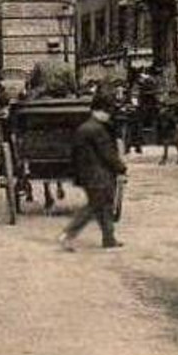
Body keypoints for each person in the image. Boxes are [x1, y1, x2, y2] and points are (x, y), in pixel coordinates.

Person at [59, 100, 126, 251]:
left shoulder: (84, 128)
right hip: (99, 175)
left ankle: (109, 238)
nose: (108, 116)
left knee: (104, 205)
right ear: (98, 111)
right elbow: (107, 154)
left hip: (88, 174)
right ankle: (67, 234)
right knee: (95, 206)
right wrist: (121, 168)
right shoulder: (97, 130)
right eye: (107, 112)